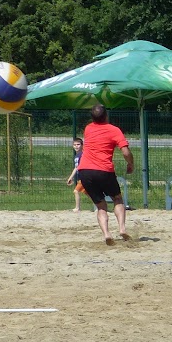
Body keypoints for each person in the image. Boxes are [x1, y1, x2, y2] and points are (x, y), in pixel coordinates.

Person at [79, 104, 134, 245]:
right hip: (104, 170)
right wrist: (130, 164)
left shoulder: (88, 129)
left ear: (92, 117)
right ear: (106, 116)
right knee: (117, 199)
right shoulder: (114, 130)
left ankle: (107, 234)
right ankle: (122, 229)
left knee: (101, 206)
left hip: (84, 171)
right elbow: (125, 152)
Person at [66, 136, 84, 213]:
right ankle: (99, 206)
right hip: (81, 177)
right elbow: (76, 168)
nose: (76, 146)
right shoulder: (77, 156)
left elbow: (80, 167)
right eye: (74, 145)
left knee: (76, 191)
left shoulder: (83, 155)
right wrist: (70, 177)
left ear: (82, 145)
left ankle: (77, 208)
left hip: (84, 177)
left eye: (78, 144)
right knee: (89, 193)